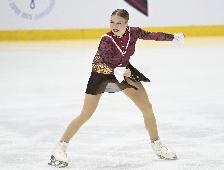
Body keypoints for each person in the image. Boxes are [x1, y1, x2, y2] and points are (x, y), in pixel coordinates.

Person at [48, 9, 184, 168]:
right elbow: (97, 65)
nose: (114, 25)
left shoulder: (133, 33)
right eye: (112, 22)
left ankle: (157, 145)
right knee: (86, 113)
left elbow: (152, 35)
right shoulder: (106, 40)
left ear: (127, 24)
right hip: (101, 75)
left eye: (119, 22)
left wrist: (172, 37)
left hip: (123, 72)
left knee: (146, 107)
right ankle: (60, 147)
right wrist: (115, 71)